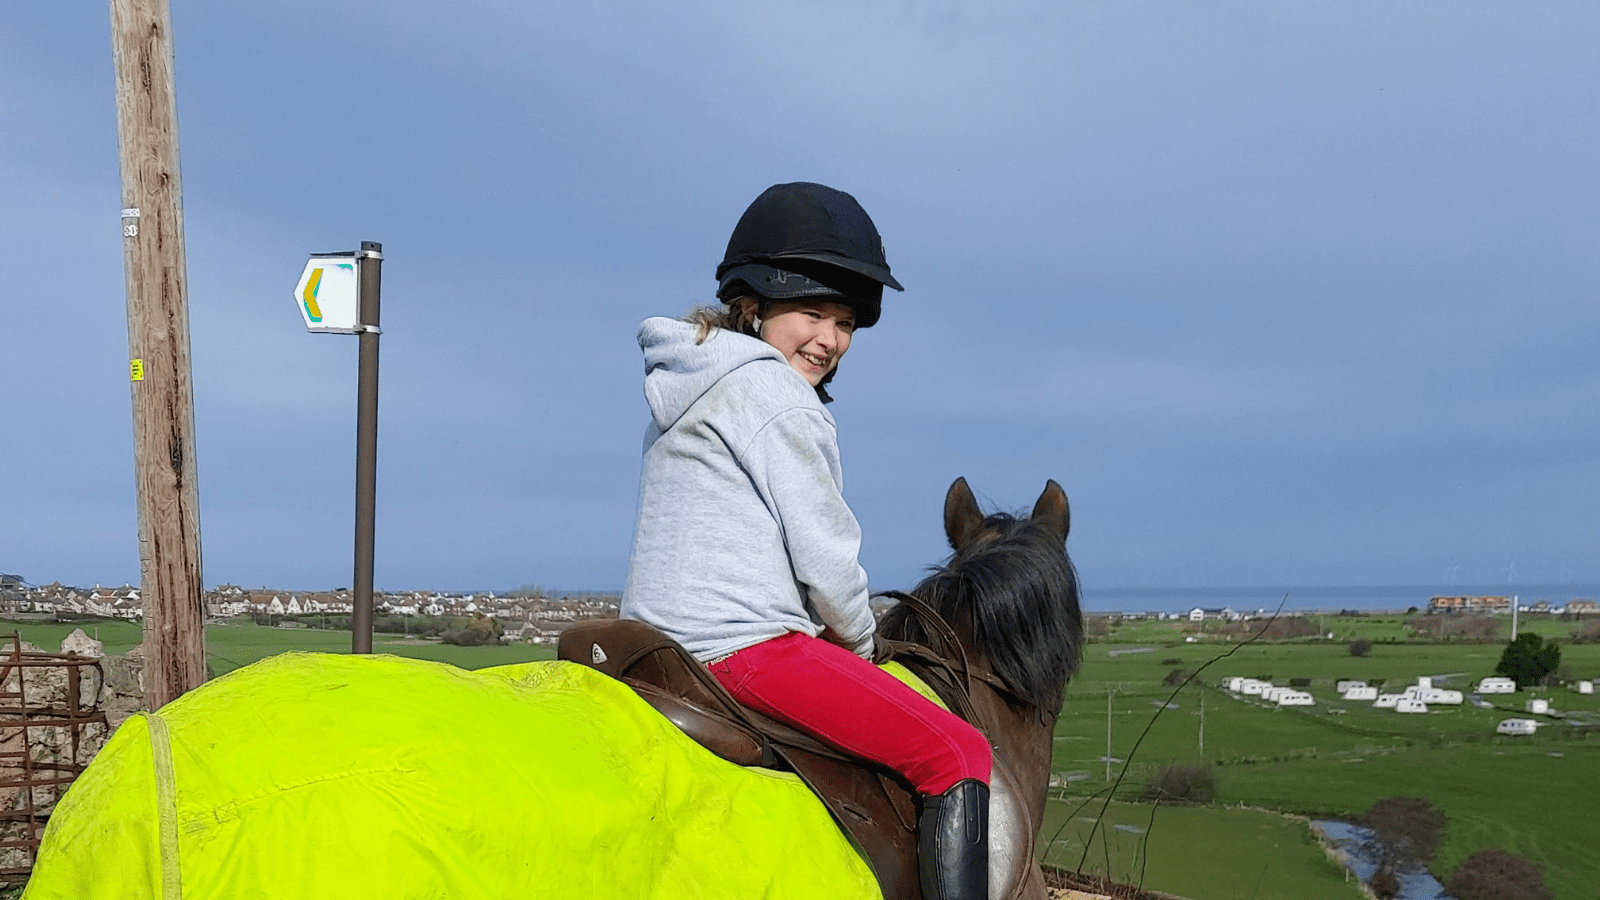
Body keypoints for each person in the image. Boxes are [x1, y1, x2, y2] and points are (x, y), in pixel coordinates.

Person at [621, 182, 991, 900]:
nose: (830, 339)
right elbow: (826, 562)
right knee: (959, 751)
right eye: (812, 313)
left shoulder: (692, 385)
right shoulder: (776, 397)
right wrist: (860, 648)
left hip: (655, 641)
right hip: (742, 649)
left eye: (845, 322)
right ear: (753, 305)